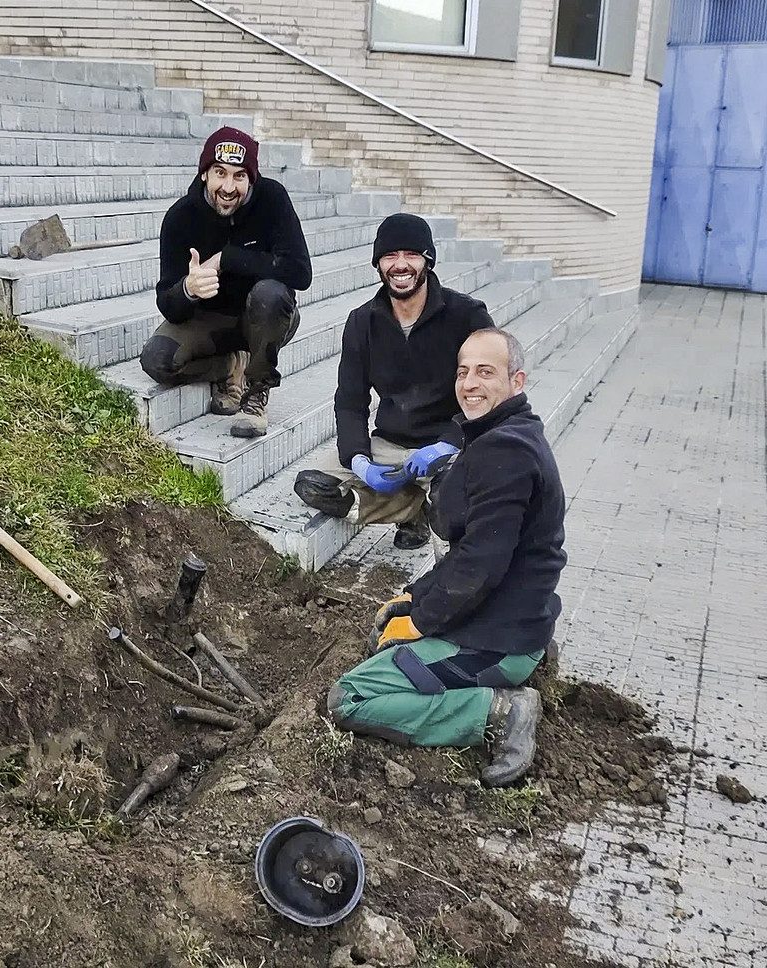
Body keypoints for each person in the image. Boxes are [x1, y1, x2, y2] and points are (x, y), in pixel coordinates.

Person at [326, 328, 567, 787]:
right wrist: (414, 597)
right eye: (463, 372)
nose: (470, 383)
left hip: (497, 641)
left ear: (518, 381)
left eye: (485, 372)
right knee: (389, 631)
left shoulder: (506, 451)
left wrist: (422, 620)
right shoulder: (506, 433)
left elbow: (479, 563)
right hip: (513, 620)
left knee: (348, 698)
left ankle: (500, 710)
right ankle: (512, 671)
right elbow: (475, 554)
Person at [292, 213, 494, 549]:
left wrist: (449, 442)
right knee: (314, 485)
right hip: (391, 445)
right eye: (390, 256)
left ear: (428, 260)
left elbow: (489, 391)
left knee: (451, 508)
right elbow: (350, 401)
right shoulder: (362, 321)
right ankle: (410, 507)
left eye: (412, 255)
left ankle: (433, 502)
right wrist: (359, 459)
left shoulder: (467, 315)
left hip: (450, 446)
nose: (400, 265)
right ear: (378, 264)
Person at [140, 127, 312, 438]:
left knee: (271, 292)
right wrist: (187, 290)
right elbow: (168, 304)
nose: (228, 187)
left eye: (239, 176)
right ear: (204, 173)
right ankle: (229, 366)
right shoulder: (181, 217)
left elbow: (300, 273)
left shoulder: (272, 200)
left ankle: (256, 391)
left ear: (251, 179)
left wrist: (226, 259)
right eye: (220, 173)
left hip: (262, 319)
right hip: (210, 323)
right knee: (156, 360)